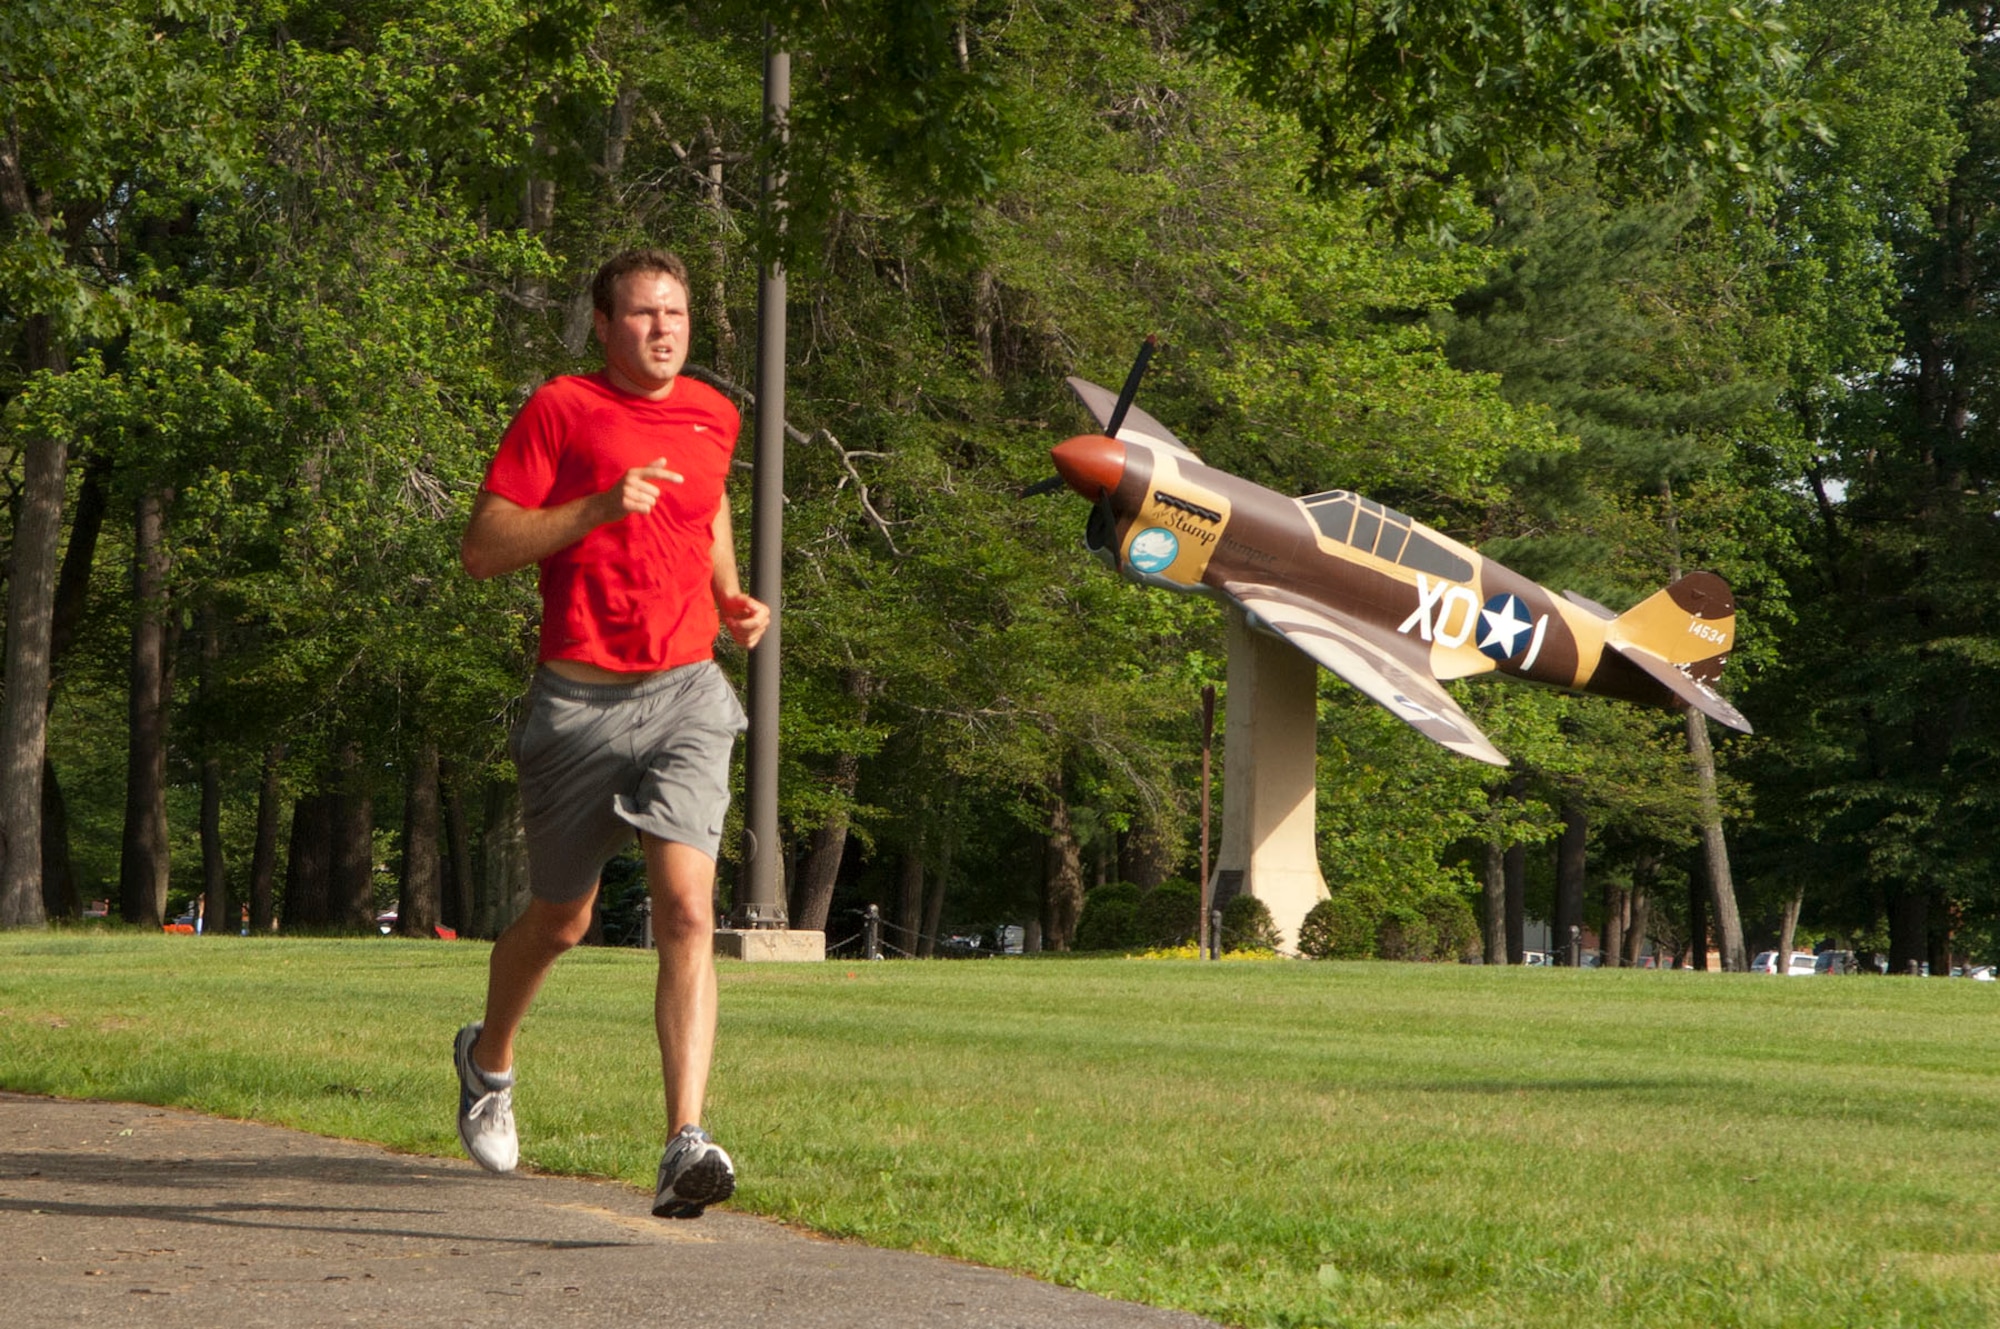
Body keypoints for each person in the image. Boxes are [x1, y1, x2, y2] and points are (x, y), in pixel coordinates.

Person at [454, 247, 769, 1219]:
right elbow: (482, 549)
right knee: (563, 921)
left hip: (685, 692)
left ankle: (684, 1141)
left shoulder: (715, 413)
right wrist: (594, 506)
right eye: (640, 314)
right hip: (577, 701)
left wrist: (727, 595)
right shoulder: (561, 409)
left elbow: (707, 499)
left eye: (673, 313)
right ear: (602, 324)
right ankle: (488, 1059)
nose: (661, 329)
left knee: (684, 912)